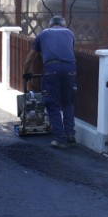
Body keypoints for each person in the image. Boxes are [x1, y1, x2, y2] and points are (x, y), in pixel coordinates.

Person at [33, 15, 77, 148]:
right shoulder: (70, 33)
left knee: (52, 104)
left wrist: (26, 72)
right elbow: (68, 49)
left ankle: (60, 139)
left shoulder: (43, 34)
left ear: (50, 25)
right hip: (71, 68)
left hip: (52, 68)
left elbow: (31, 56)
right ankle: (70, 134)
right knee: (68, 102)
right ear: (63, 25)